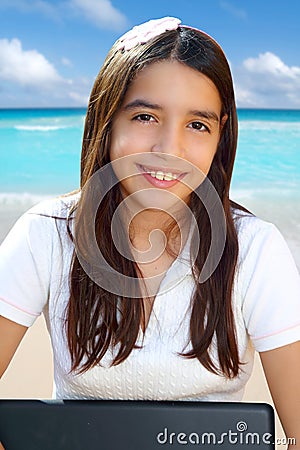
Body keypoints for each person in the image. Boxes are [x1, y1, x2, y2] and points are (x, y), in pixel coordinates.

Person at [0, 16, 299, 446]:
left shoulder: (254, 249)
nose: (169, 149)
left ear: (221, 136)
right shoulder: (46, 236)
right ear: (107, 123)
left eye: (197, 124)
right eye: (144, 116)